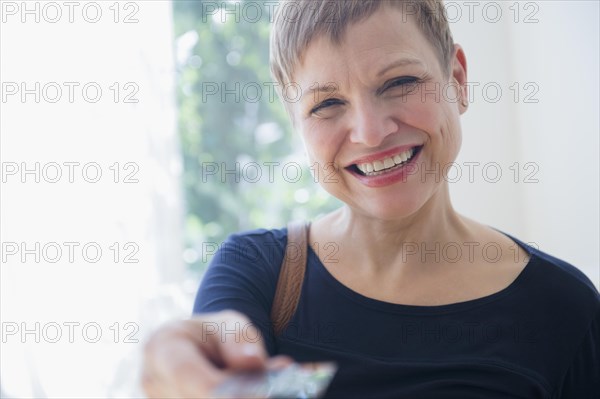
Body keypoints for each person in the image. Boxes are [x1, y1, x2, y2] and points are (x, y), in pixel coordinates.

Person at [142, 1, 600, 397]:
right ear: (296, 124)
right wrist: (183, 363)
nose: (370, 131)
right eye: (326, 104)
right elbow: (214, 355)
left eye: (398, 82)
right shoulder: (255, 272)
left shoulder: (564, 307)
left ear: (457, 79)